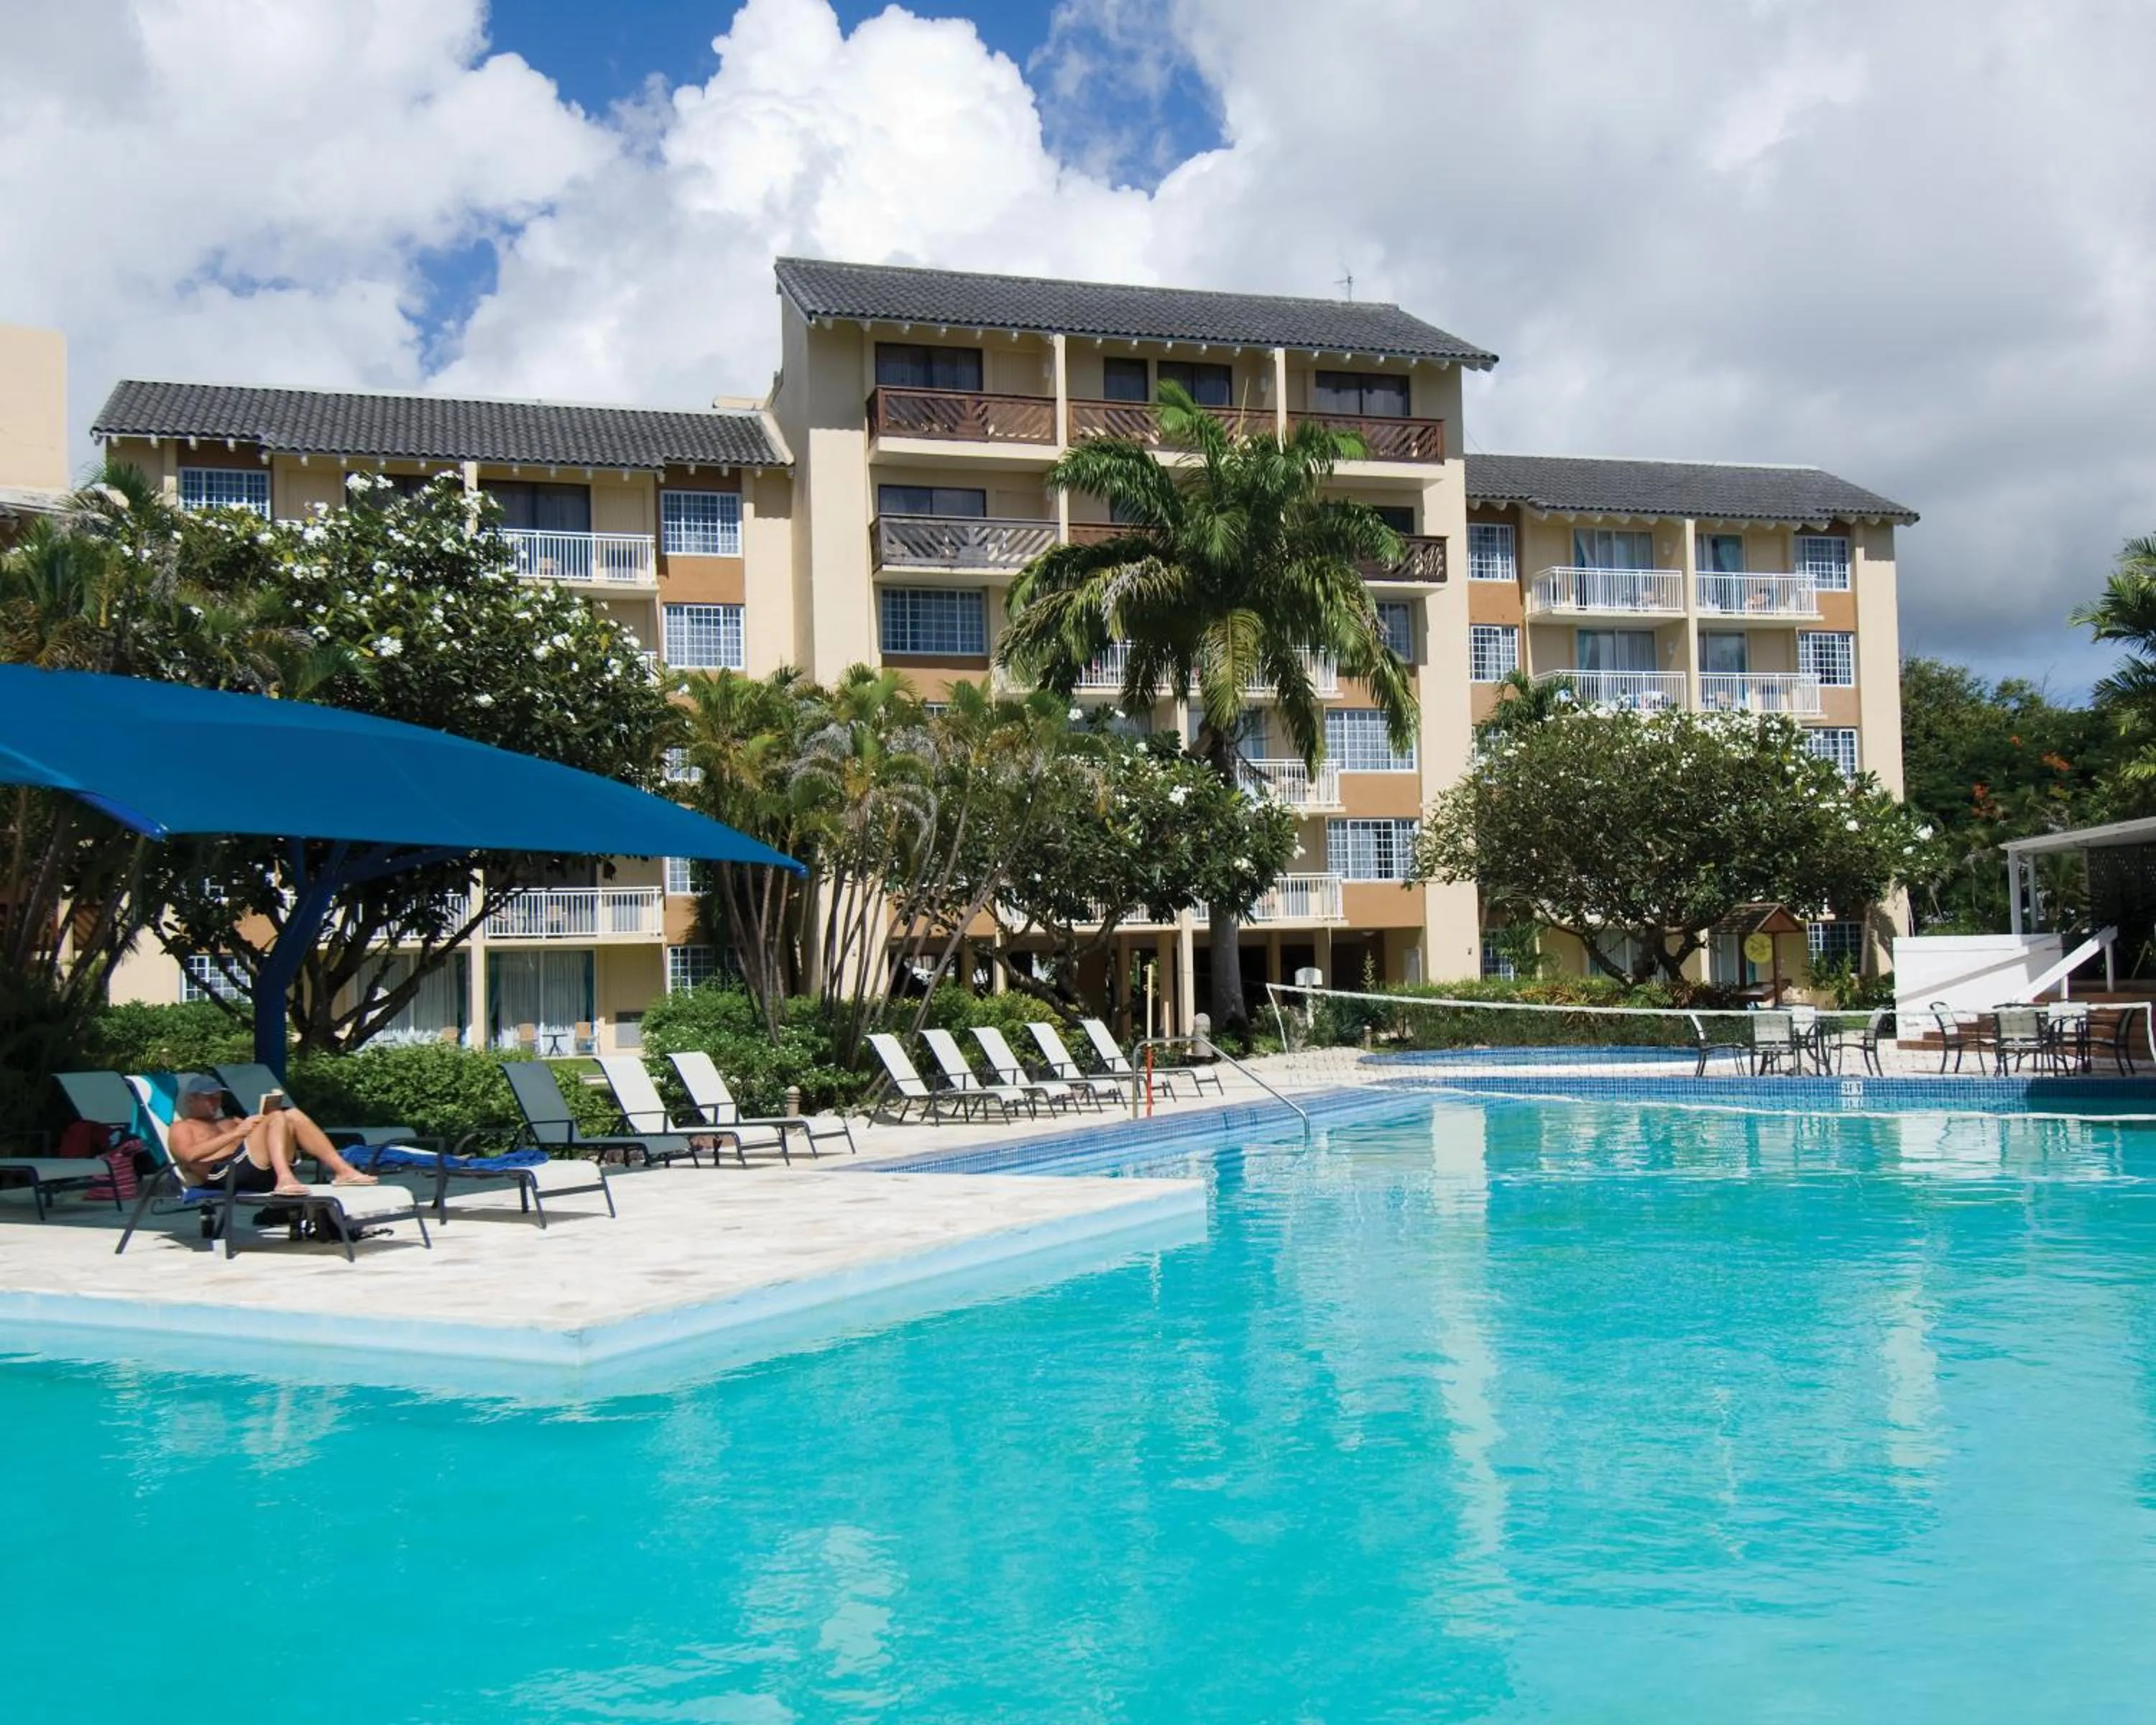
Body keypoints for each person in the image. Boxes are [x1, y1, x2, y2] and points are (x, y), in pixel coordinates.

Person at [165, 1075, 379, 1199]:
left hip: (258, 1169)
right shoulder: (182, 1127)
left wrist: (253, 1124)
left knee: (291, 1114)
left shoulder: (230, 1120)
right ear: (191, 1100)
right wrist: (238, 1133)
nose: (215, 1103)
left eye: (218, 1098)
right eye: (208, 1099)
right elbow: (189, 1156)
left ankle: (343, 1171)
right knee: (277, 1116)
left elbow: (252, 1139)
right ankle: (284, 1178)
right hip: (223, 1176)